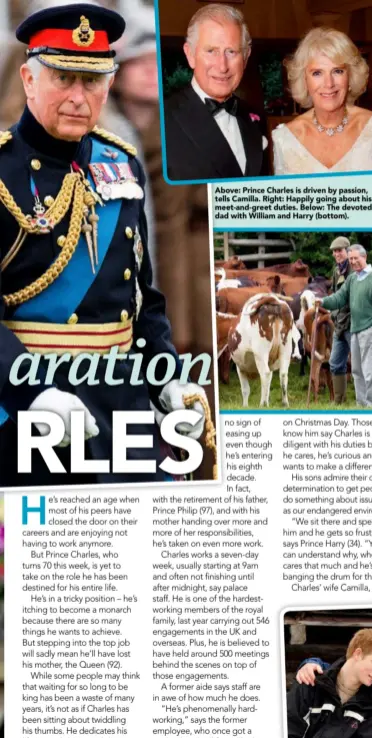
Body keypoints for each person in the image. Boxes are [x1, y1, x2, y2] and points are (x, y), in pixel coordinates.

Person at [0, 3, 208, 487]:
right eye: (62, 78)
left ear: (109, 84)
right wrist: (30, 394)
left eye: (91, 81)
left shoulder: (121, 163)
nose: (78, 96)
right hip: (34, 411)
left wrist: (167, 378)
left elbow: (141, 299)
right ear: (29, 80)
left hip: (122, 408)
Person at [163, 3, 267, 182]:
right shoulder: (163, 119)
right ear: (190, 54)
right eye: (211, 51)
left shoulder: (255, 117)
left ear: (246, 56)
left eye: (231, 52)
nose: (222, 66)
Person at [272, 28, 372, 175]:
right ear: (305, 80)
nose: (329, 84)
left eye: (338, 71)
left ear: (350, 77)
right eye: (317, 73)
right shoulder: (284, 140)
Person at [321, 245, 372, 408]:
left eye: (355, 258)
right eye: (350, 259)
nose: (353, 262)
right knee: (357, 371)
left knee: (370, 372)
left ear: (364, 257)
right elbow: (339, 298)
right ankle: (362, 404)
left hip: (370, 331)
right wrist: (322, 302)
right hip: (355, 331)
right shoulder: (352, 279)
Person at [327, 237, 352, 405]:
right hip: (339, 324)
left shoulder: (354, 269)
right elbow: (335, 295)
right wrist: (333, 313)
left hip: (353, 324)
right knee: (335, 362)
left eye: (340, 250)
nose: (337, 254)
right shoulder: (336, 271)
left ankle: (367, 401)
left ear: (347, 251)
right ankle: (339, 402)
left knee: (358, 365)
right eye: (334, 251)